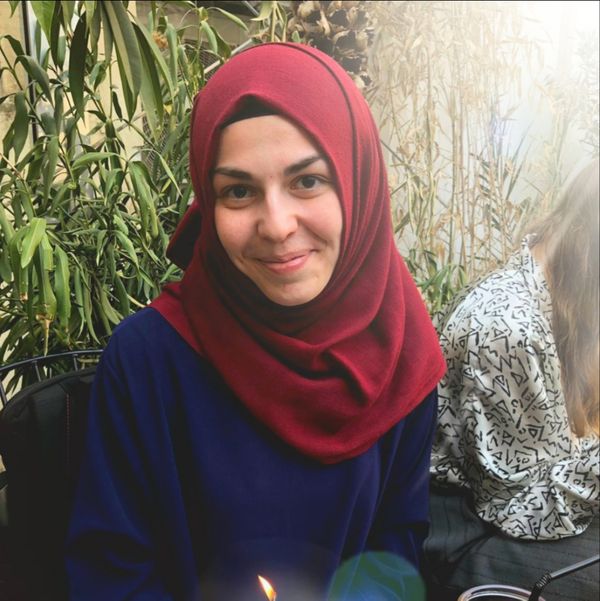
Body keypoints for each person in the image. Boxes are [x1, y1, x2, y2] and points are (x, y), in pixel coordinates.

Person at [65, 43, 446, 601]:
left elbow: (395, 544)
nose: (277, 224)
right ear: (208, 200)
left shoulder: (400, 353)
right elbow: (112, 570)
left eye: (307, 181)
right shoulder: (149, 360)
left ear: (357, 180)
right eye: (238, 191)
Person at [426, 159, 599, 601]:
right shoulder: (506, 327)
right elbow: (523, 509)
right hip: (465, 533)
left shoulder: (562, 299)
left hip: (519, 502)